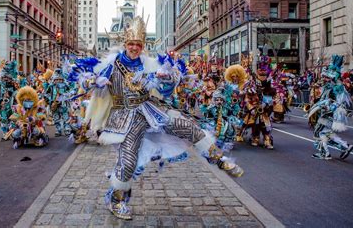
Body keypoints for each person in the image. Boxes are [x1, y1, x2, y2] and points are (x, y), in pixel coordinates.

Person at [75, 17, 238, 220]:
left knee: (184, 124)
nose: (134, 47)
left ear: (142, 46)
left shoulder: (149, 64)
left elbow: (167, 89)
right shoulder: (112, 64)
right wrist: (94, 81)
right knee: (128, 161)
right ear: (126, 44)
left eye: (138, 44)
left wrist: (168, 78)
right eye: (131, 44)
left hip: (150, 110)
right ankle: (116, 200)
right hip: (124, 117)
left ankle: (219, 158)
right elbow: (83, 79)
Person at [307, 55, 353, 160]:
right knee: (326, 133)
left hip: (329, 113)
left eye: (327, 76)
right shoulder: (329, 86)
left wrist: (329, 107)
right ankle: (344, 146)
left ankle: (324, 153)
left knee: (318, 132)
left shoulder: (338, 87)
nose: (324, 78)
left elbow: (339, 102)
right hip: (326, 112)